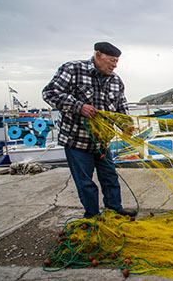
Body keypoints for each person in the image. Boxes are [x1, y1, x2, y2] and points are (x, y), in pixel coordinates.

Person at [42, 42, 137, 219]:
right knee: (85, 182)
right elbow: (50, 93)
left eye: (117, 61)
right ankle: (92, 216)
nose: (115, 65)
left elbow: (121, 108)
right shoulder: (73, 69)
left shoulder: (116, 81)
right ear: (98, 55)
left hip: (101, 141)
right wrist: (79, 107)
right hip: (76, 140)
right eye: (112, 60)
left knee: (110, 178)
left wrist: (126, 125)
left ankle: (114, 211)